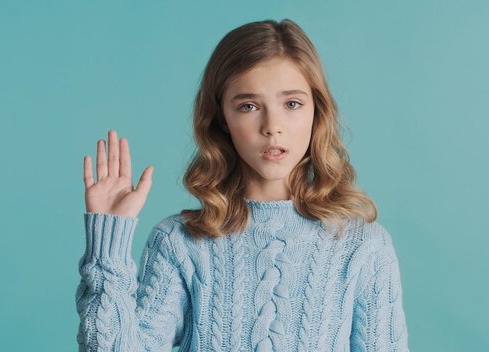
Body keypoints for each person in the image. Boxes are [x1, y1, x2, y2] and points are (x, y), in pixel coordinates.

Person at [76, 18, 410, 351]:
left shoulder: (364, 247)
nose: (272, 126)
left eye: (292, 103)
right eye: (248, 106)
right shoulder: (180, 243)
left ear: (316, 111)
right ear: (222, 118)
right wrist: (109, 245)